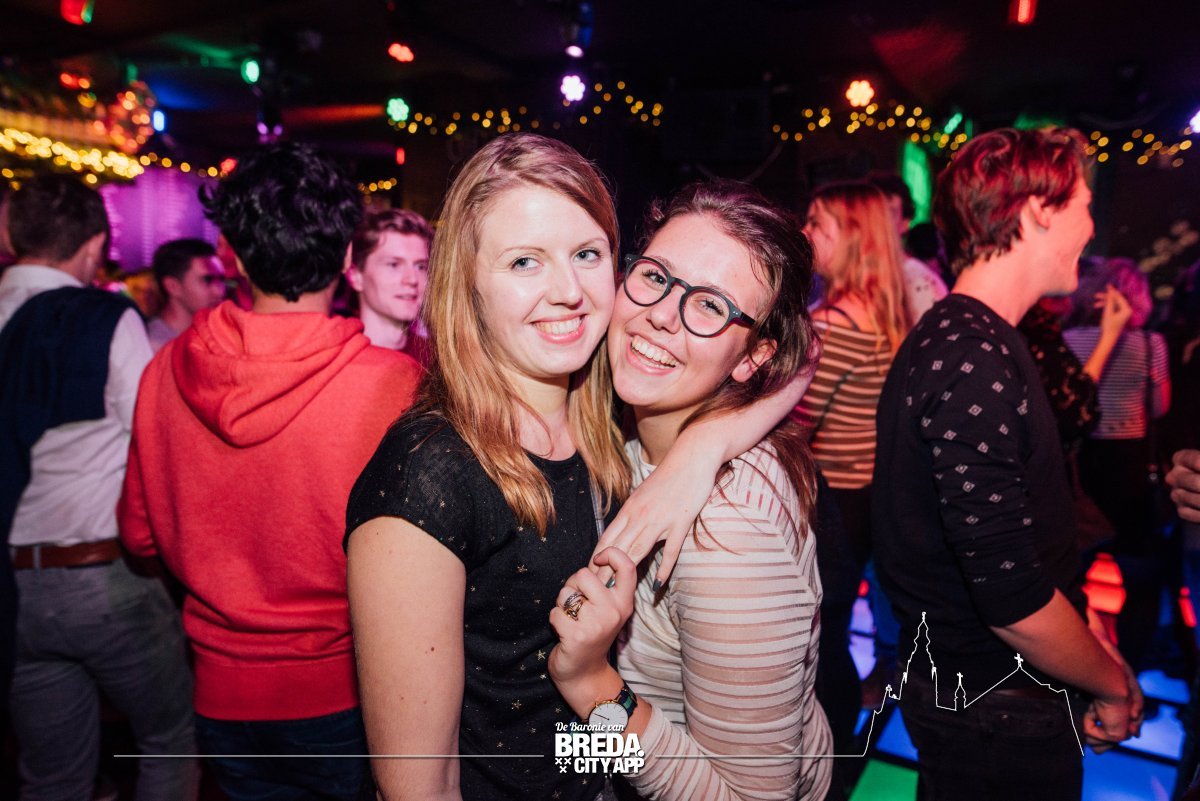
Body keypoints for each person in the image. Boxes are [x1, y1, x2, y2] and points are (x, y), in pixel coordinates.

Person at [344, 134, 803, 801]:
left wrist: (702, 451)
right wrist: (592, 688)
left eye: (586, 254)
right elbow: (418, 788)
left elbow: (798, 352)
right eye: (524, 261)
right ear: (467, 282)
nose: (568, 291)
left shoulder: (607, 403)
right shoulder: (430, 476)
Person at [118, 143, 423, 801]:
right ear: (347, 258)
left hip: (222, 697)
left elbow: (139, 537)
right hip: (350, 689)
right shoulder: (396, 386)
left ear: (230, 253)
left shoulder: (163, 371)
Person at [873, 127, 1143, 801]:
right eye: (1084, 205)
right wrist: (1112, 683)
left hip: (988, 694)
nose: (1091, 228)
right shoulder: (970, 354)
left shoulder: (974, 338)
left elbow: (1021, 550)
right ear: (1039, 210)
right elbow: (1012, 601)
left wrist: (1087, 637)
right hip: (993, 703)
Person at [548, 180, 832, 801]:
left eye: (710, 306)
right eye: (656, 277)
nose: (662, 314)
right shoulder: (630, 419)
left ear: (753, 357)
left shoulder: (729, 533)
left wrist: (590, 687)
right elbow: (808, 348)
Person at [0, 176, 197, 800]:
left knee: (52, 775)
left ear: (11, 237)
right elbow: (152, 435)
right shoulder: (101, 318)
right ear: (93, 248)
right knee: (168, 744)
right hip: (100, 578)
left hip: (12, 587)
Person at [797, 180, 912, 756]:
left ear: (854, 239)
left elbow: (792, 422)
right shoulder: (885, 312)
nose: (805, 232)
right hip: (865, 493)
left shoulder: (835, 324)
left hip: (833, 499)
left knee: (820, 637)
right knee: (836, 625)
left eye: (818, 224)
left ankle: (830, 750)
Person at [1064, 257, 1171, 672]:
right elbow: (1159, 407)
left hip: (1086, 465)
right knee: (1140, 580)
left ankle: (1078, 666)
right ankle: (1129, 669)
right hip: (1131, 468)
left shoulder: (1068, 340)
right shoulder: (1150, 344)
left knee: (1073, 575)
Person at [346, 207, 433, 364]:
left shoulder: (438, 360)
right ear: (355, 276)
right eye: (394, 265)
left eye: (421, 266)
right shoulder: (336, 360)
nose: (412, 279)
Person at [867, 171, 948, 321]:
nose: (879, 220)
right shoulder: (848, 273)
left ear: (905, 222)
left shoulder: (919, 281)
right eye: (872, 211)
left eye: (889, 212)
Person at [145, 238, 227, 351]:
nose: (219, 291)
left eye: (222, 280)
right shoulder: (151, 347)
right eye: (207, 280)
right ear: (173, 286)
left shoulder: (217, 337)